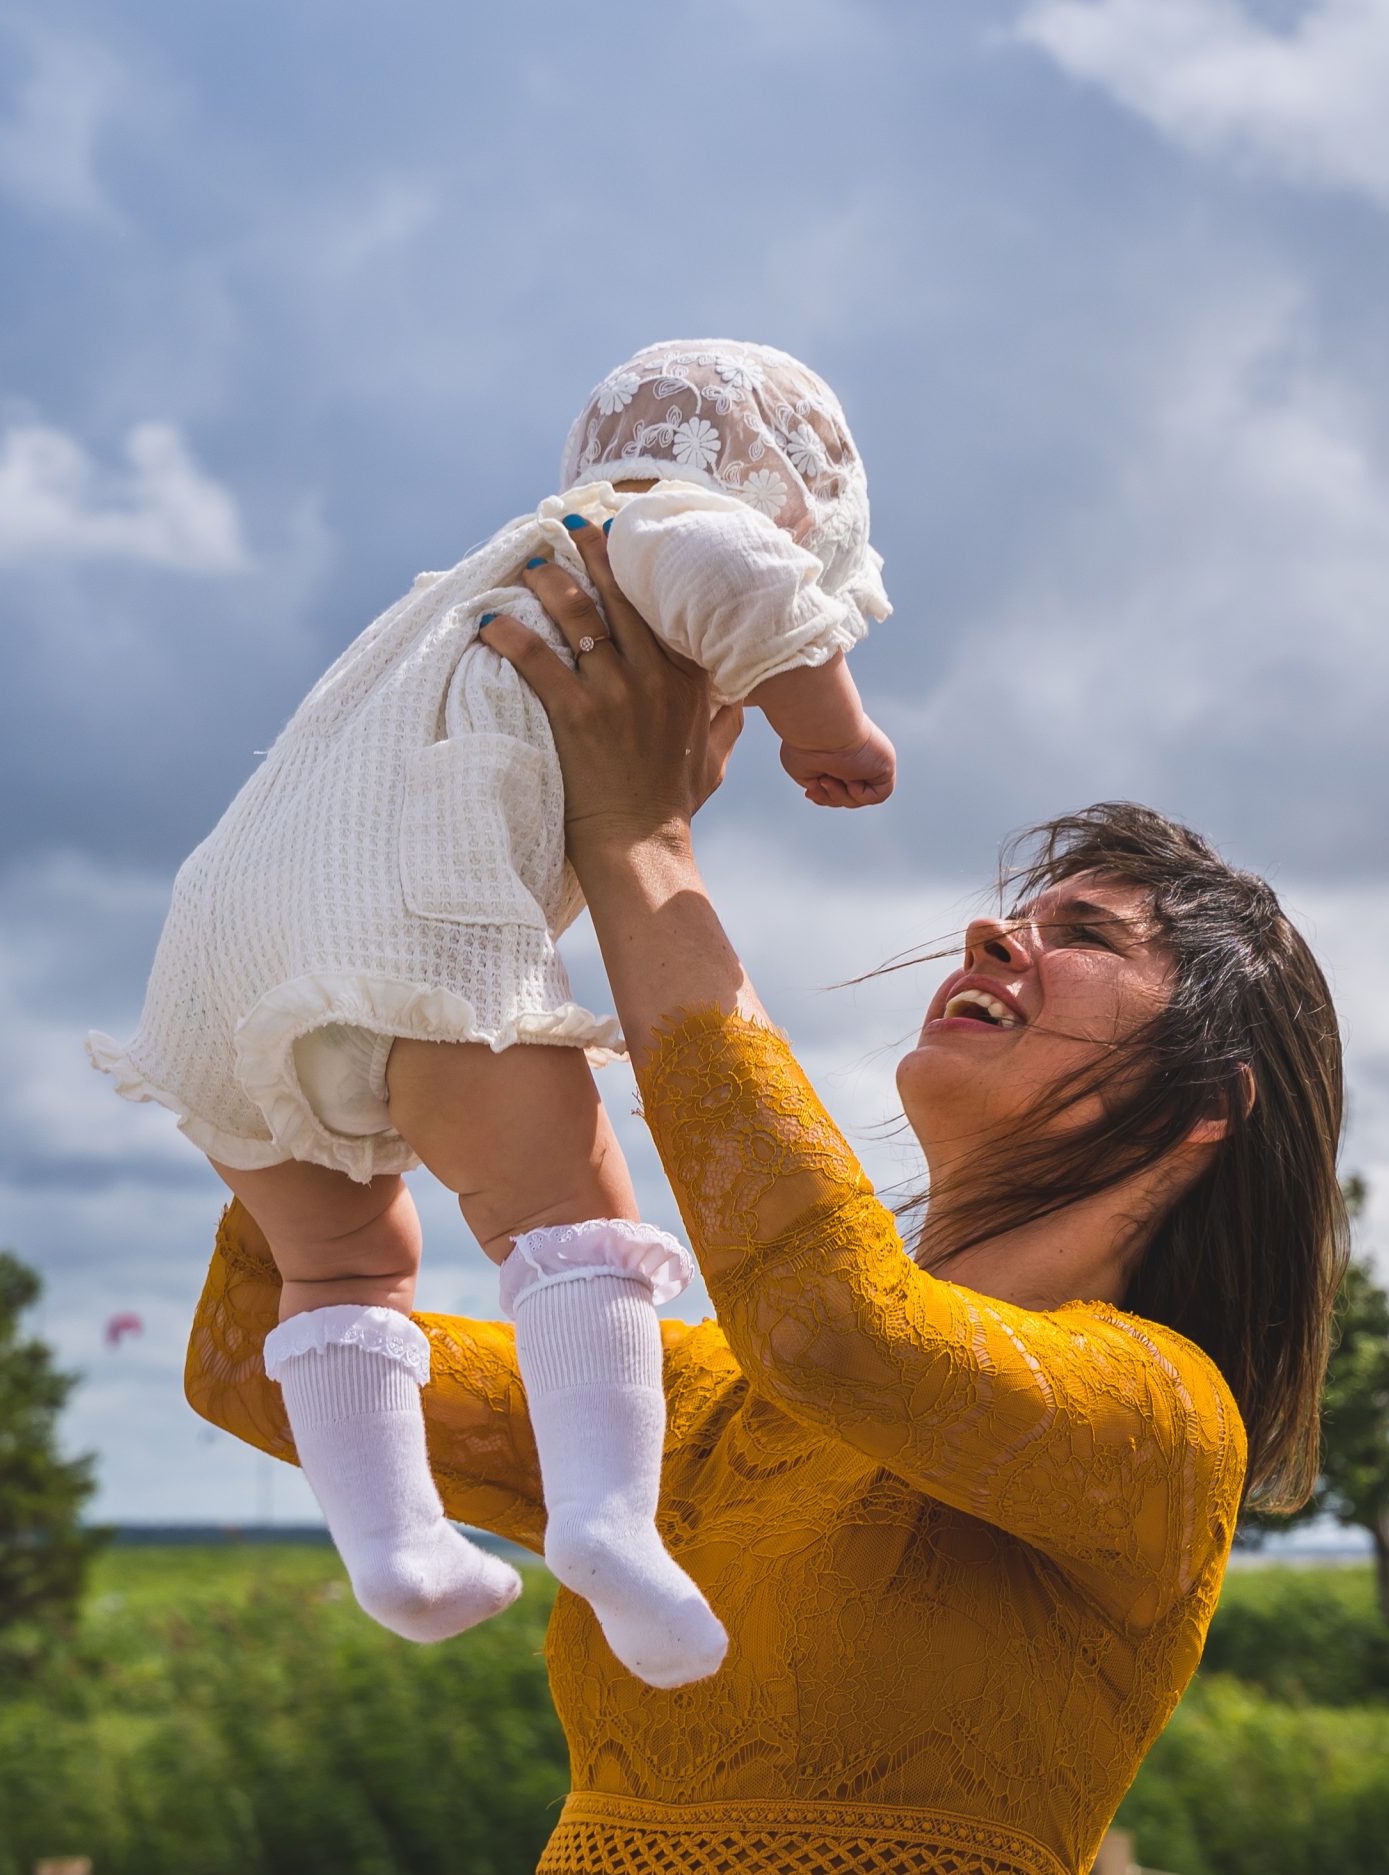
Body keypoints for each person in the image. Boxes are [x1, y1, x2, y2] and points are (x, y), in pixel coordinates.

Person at [185, 523, 1347, 1875]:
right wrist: (456, 902)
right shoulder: (700, 1399)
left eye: (1088, 937)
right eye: (1020, 911)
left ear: (1208, 1106)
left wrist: (644, 844)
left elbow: (840, 1325)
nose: (999, 935)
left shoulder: (1155, 1423)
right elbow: (264, 1366)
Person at [89, 339, 895, 1690]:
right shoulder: (650, 527)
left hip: (221, 955)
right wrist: (829, 730)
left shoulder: (476, 584)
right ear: (792, 497)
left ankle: (397, 1550)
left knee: (343, 1262)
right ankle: (608, 1518)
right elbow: (745, 584)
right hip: (411, 935)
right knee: (568, 1216)